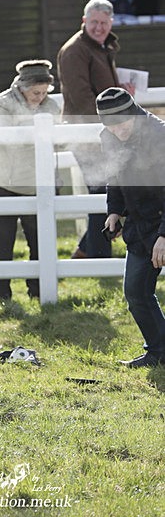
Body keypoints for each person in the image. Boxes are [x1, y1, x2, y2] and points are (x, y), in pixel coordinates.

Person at [0, 60, 60, 300]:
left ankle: (38, 291)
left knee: (39, 238)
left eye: (44, 92)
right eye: (36, 92)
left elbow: (58, 138)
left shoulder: (51, 105)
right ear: (23, 87)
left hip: (38, 181)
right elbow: (1, 138)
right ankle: (1, 292)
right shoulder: (2, 104)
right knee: (3, 238)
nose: (40, 97)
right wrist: (39, 135)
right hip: (1, 182)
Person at [96, 87, 165, 368]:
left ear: (134, 114)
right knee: (136, 292)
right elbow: (114, 175)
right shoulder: (109, 138)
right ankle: (159, 351)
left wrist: (164, 234)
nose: (117, 129)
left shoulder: (159, 137)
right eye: (110, 125)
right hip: (139, 223)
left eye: (122, 121)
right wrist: (114, 210)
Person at [57, 0, 125, 260]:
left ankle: (88, 250)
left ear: (111, 23)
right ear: (84, 21)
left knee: (106, 191)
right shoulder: (75, 50)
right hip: (86, 134)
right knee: (101, 192)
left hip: (102, 133)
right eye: (94, 22)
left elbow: (102, 88)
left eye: (104, 23)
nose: (99, 27)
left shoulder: (102, 46)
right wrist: (114, 125)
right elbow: (83, 97)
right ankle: (94, 255)